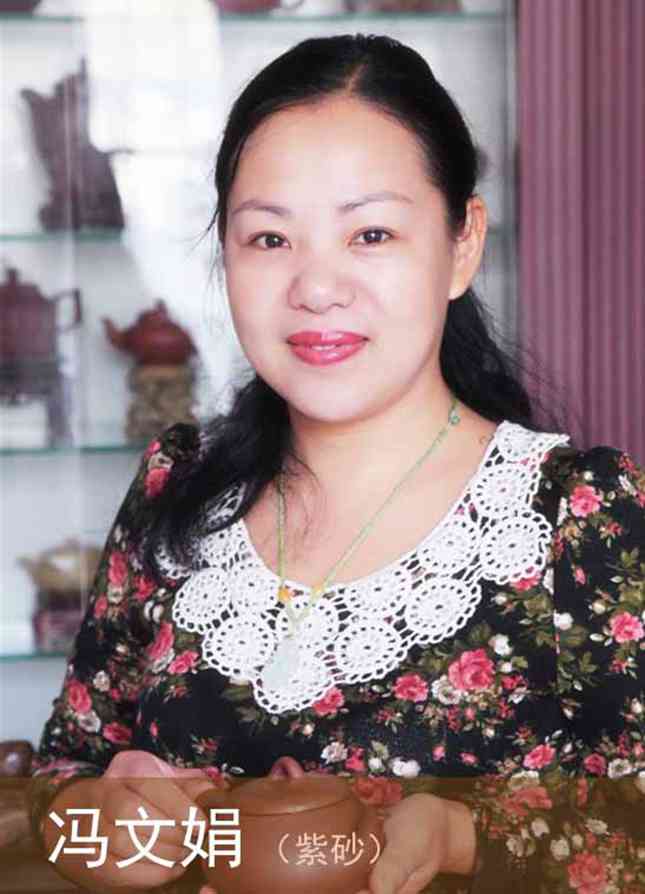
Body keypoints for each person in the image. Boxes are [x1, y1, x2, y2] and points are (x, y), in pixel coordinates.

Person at [28, 33, 645, 894]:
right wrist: (107, 819)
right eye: (269, 239)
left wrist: (461, 835)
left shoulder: (580, 515)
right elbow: (65, 776)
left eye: (371, 233)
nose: (316, 288)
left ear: (462, 242)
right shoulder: (179, 486)